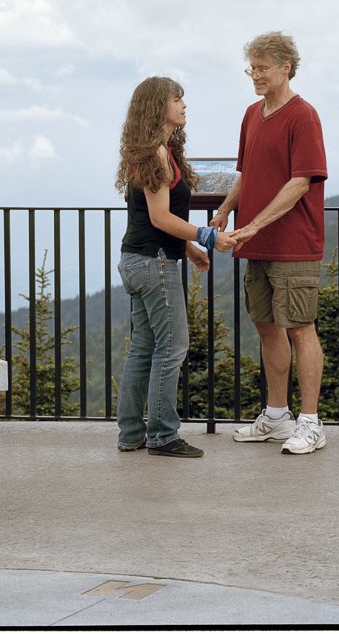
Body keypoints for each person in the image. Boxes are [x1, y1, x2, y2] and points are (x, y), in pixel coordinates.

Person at [211, 32, 329, 454]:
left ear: (286, 68)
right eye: (252, 69)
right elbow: (246, 174)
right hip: (253, 241)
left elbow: (300, 182)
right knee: (266, 329)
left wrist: (256, 224)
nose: (256, 76)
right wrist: (226, 210)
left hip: (293, 243)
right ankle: (277, 416)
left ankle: (311, 423)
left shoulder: (304, 116)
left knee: (300, 328)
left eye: (263, 69)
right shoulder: (250, 114)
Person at [115, 76, 237, 458]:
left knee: (144, 348)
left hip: (138, 260)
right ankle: (163, 435)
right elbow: (160, 217)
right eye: (176, 99)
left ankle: (131, 433)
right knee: (172, 348)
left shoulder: (152, 150)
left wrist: (188, 247)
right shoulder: (155, 154)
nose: (184, 105)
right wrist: (207, 237)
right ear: (157, 107)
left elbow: (154, 221)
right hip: (155, 263)